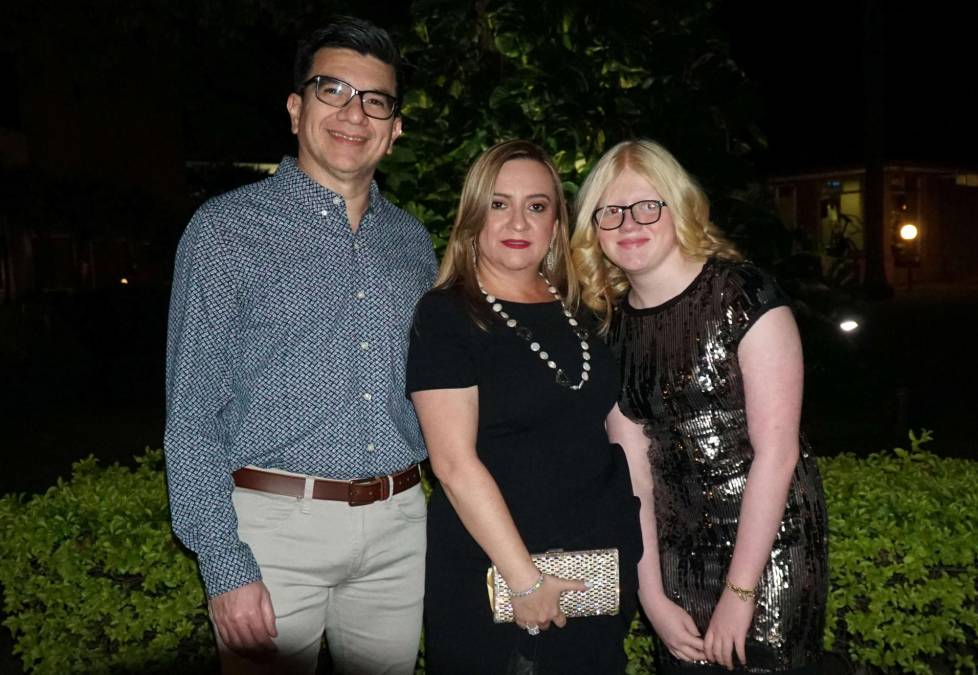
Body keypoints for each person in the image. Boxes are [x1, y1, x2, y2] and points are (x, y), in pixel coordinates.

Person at [164, 16, 437, 675]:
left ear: (395, 129)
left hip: (399, 526)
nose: (354, 113)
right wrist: (224, 564)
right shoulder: (225, 230)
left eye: (375, 101)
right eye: (332, 90)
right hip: (273, 533)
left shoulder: (413, 243)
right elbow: (192, 413)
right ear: (295, 108)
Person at [571, 139, 828, 674]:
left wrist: (740, 592)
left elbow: (778, 454)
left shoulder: (743, 295)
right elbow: (634, 476)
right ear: (593, 228)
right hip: (674, 556)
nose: (628, 224)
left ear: (680, 207)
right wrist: (651, 596)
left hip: (771, 548)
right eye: (610, 211)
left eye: (647, 206)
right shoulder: (609, 329)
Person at [405, 140, 643, 674]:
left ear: (556, 224)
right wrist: (525, 581)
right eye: (499, 203)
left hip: (594, 569)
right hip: (496, 574)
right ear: (473, 218)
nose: (518, 221)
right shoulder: (446, 315)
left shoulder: (584, 310)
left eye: (536, 205)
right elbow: (453, 464)